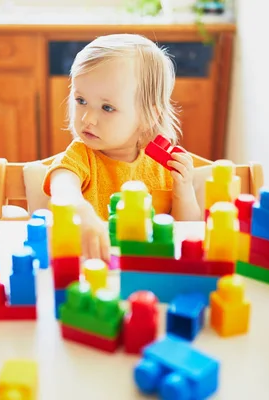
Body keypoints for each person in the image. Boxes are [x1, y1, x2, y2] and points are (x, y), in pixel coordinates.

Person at [42, 33, 201, 263]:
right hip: (96, 269)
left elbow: (187, 230)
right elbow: (63, 191)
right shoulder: (80, 155)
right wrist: (81, 212)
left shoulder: (161, 165)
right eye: (81, 100)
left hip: (147, 270)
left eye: (107, 108)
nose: (88, 118)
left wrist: (183, 191)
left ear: (148, 116)